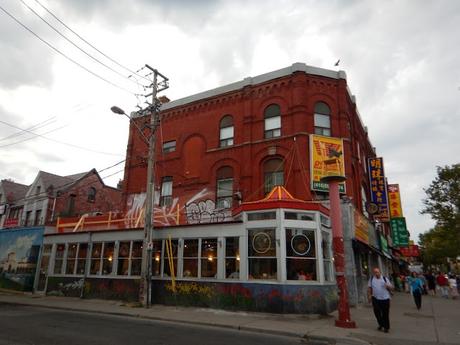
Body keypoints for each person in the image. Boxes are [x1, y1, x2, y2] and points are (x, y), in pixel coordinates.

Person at [368, 267, 393, 333]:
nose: (376, 273)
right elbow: (370, 288)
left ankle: (386, 327)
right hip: (375, 298)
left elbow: (391, 288)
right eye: (375, 272)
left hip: (385, 299)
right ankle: (381, 324)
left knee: (385, 314)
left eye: (377, 272)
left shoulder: (385, 279)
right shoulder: (371, 279)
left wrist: (388, 286)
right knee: (377, 313)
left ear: (380, 272)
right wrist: (369, 296)